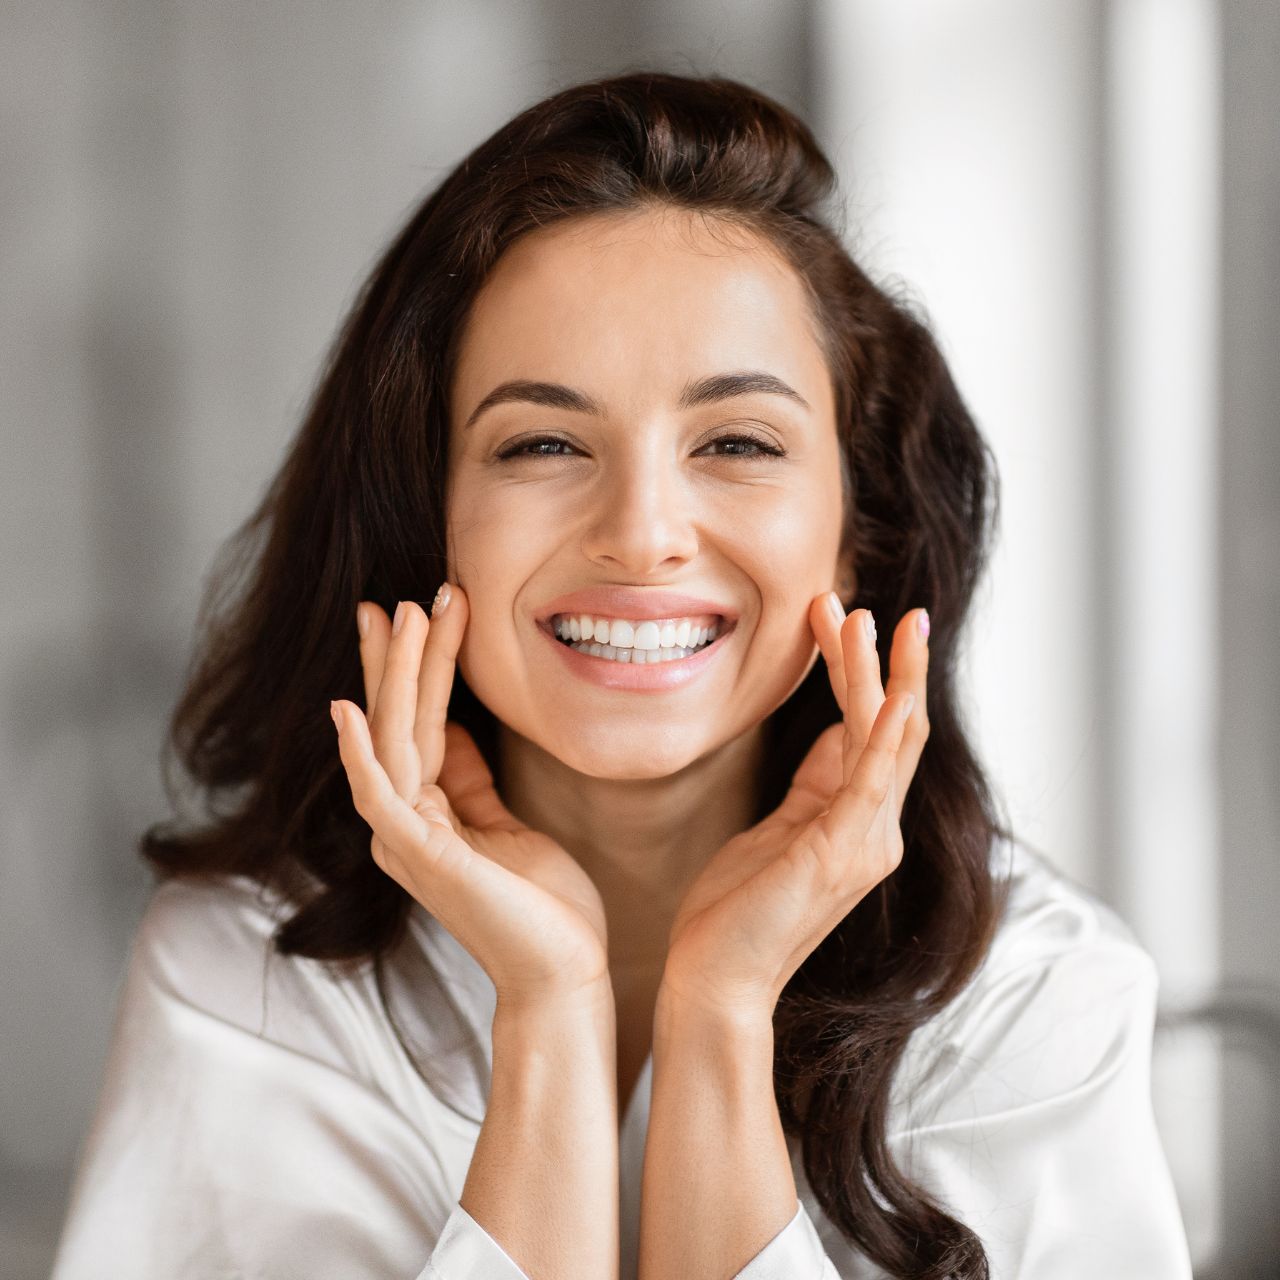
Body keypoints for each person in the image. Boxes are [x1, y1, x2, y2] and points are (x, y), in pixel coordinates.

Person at [51, 71, 1192, 1279]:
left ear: (858, 532)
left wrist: (718, 1014)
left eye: (737, 443)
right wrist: (546, 1007)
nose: (641, 531)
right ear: (422, 520)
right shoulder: (247, 979)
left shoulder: (1027, 998)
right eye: (541, 442)